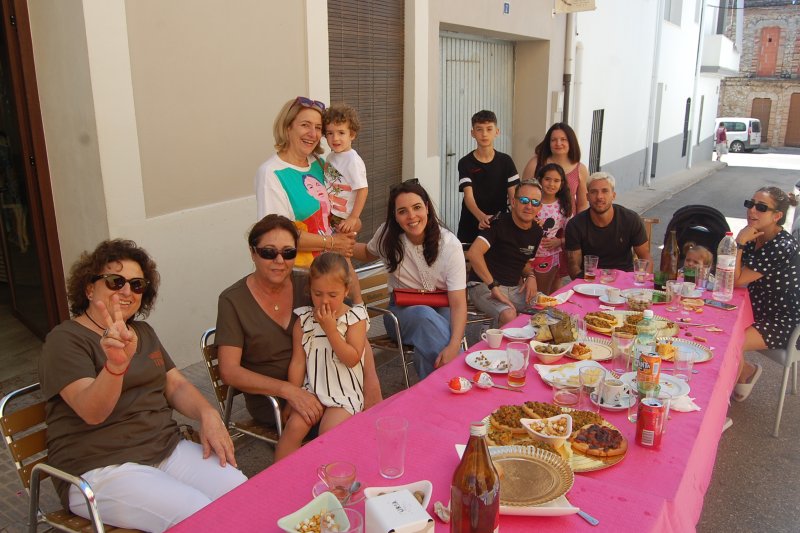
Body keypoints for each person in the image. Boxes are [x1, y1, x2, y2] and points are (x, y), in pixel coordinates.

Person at [39, 239, 246, 532]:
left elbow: (176, 385)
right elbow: (92, 412)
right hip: (99, 467)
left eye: (137, 285)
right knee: (197, 515)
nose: (127, 291)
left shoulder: (143, 332)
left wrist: (208, 413)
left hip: (164, 448)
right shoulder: (65, 340)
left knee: (241, 492)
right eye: (115, 281)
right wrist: (115, 368)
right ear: (89, 288)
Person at [215, 215, 382, 430]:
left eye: (288, 252)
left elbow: (351, 325)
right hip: (274, 400)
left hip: (331, 385)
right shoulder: (233, 301)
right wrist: (289, 391)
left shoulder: (311, 286)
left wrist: (371, 381)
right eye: (269, 252)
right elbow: (229, 371)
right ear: (253, 252)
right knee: (344, 433)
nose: (279, 260)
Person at [353, 181, 467, 379]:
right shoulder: (387, 235)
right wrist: (334, 242)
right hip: (400, 314)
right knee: (425, 317)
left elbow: (458, 302)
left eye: (417, 207)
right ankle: (459, 378)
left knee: (432, 338)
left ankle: (435, 389)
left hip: (442, 307)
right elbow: (366, 253)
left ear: (427, 207)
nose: (412, 216)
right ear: (395, 216)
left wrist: (454, 345)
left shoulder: (449, 245)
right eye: (402, 211)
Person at [274, 253, 369, 460]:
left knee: (329, 434)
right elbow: (298, 362)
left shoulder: (355, 319)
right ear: (309, 289)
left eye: (332, 295)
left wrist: (331, 330)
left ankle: (325, 477)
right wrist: (292, 399)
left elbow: (352, 358)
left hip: (344, 393)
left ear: (346, 290)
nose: (324, 301)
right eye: (317, 294)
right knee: (294, 427)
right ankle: (278, 476)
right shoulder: (304, 320)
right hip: (313, 391)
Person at [254, 96, 356, 267]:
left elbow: (336, 212)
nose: (313, 134)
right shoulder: (270, 173)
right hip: (301, 272)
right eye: (305, 125)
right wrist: (332, 242)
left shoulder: (319, 163)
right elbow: (277, 235)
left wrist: (351, 221)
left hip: (332, 267)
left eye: (318, 127)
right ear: (287, 127)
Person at [731, 187, 800, 402]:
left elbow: (737, 279)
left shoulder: (781, 245)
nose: (752, 210)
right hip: (754, 309)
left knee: (732, 344)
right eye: (750, 204)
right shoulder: (755, 235)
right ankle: (745, 371)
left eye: (761, 207)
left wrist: (739, 243)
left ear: (777, 216)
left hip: (783, 321)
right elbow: (730, 273)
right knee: (714, 330)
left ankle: (719, 409)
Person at [465, 180, 543, 326]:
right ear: (513, 202)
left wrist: (531, 276)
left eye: (535, 202)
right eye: (524, 200)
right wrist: (493, 286)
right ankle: (500, 339)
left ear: (540, 207)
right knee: (509, 314)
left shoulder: (537, 232)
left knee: (549, 307)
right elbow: (474, 253)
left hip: (514, 290)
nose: (529, 206)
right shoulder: (497, 222)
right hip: (483, 286)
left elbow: (525, 263)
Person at [564, 172, 653, 278]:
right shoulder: (575, 225)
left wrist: (643, 281)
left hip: (624, 279)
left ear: (613, 195)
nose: (599, 197)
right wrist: (583, 282)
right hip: (590, 280)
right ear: (587, 196)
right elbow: (573, 266)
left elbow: (645, 256)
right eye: (594, 192)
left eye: (605, 191)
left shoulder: (630, 219)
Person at [456, 110, 519, 244]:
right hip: (470, 224)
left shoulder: (506, 161)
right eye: (479, 129)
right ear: (472, 133)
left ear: (497, 132)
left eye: (489, 129)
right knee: (468, 256)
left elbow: (514, 197)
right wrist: (482, 217)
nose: (484, 134)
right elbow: (468, 196)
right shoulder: (465, 162)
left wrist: (520, 218)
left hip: (498, 224)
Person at [521, 122, 588, 215]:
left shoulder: (580, 169)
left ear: (571, 142)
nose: (558, 143)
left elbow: (582, 205)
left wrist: (580, 223)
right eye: (553, 140)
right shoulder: (535, 163)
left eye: (563, 139)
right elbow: (522, 195)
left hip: (568, 222)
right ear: (549, 143)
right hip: (537, 221)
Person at [323, 104, 369, 234]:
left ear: (352, 135)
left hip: (343, 217)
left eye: (341, 133)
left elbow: (363, 190)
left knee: (343, 245)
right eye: (330, 133)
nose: (335, 138)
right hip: (330, 212)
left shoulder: (353, 160)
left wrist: (353, 217)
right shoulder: (331, 156)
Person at [532, 163, 573, 294]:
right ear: (540, 180)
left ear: (562, 184)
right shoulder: (530, 201)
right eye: (547, 179)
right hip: (523, 256)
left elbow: (574, 235)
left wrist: (559, 241)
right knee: (522, 295)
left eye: (556, 180)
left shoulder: (563, 207)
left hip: (547, 257)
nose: (551, 184)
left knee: (541, 295)